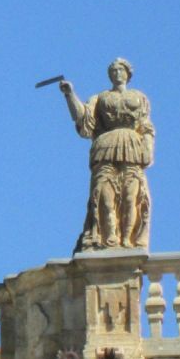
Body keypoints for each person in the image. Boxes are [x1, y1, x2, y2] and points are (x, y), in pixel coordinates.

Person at [58, 59, 153, 251]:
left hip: (132, 147)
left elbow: (146, 127)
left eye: (121, 70)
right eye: (114, 71)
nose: (117, 73)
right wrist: (70, 94)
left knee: (131, 197)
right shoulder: (100, 97)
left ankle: (127, 240)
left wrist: (148, 148)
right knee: (104, 196)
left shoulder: (139, 97)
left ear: (128, 74)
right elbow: (83, 118)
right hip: (105, 147)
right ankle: (109, 239)